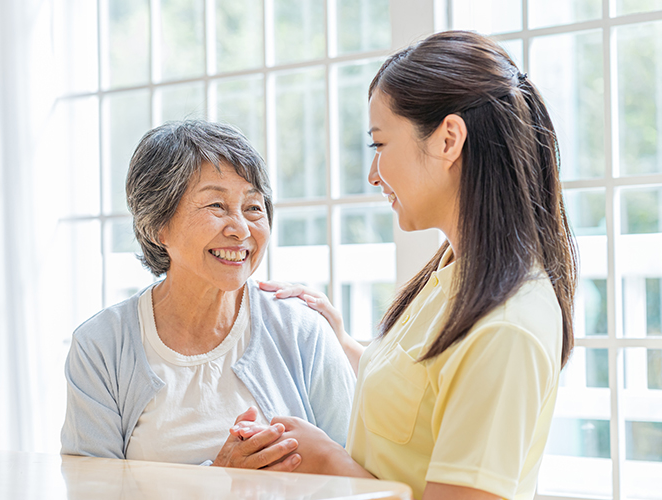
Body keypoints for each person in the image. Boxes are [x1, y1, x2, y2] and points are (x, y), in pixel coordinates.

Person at [239, 30, 578, 500]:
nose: (374, 174)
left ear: (448, 139)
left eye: (379, 145)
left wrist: (324, 460)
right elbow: (421, 397)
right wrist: (341, 341)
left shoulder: (505, 326)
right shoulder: (453, 273)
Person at [60, 120, 356, 470]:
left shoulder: (302, 329)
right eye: (216, 206)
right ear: (158, 227)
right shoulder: (101, 346)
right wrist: (218, 481)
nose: (241, 229)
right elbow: (92, 491)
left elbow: (357, 475)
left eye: (253, 207)